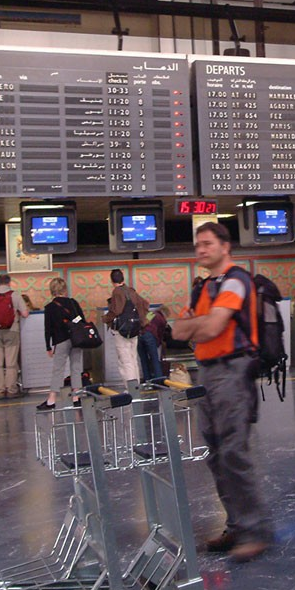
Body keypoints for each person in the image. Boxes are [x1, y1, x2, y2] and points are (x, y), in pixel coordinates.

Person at [170, 222, 272, 561]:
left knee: (234, 453)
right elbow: (177, 330)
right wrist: (203, 325)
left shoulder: (236, 280)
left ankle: (255, 531)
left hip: (233, 370)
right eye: (197, 244)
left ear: (225, 246)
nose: (200, 249)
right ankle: (237, 525)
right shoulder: (203, 288)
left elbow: (210, 327)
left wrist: (201, 325)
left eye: (207, 243)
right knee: (216, 455)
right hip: (208, 374)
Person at [38, 277, 87, 410]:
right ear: (64, 289)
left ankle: (52, 399)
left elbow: (48, 328)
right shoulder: (73, 303)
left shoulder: (50, 307)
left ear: (51, 290)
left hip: (60, 340)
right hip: (76, 340)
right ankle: (76, 397)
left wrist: (48, 346)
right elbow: (82, 320)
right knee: (76, 368)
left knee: (58, 370)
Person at [0, 273, 29, 399]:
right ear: (9, 282)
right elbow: (25, 313)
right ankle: (11, 389)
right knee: (11, 362)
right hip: (11, 331)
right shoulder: (14, 295)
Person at [103, 269, 149, 385]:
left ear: (112, 281)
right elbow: (145, 304)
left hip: (122, 331)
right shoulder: (131, 291)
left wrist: (105, 319)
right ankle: (136, 386)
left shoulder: (117, 292)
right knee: (133, 359)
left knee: (125, 361)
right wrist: (143, 321)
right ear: (123, 279)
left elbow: (116, 311)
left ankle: (131, 389)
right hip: (134, 329)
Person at [138, 304, 169, 382]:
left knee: (143, 359)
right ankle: (159, 380)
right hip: (150, 336)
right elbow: (160, 333)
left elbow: (142, 323)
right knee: (154, 359)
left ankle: (147, 380)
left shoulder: (151, 313)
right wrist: (159, 343)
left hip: (139, 335)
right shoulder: (161, 319)